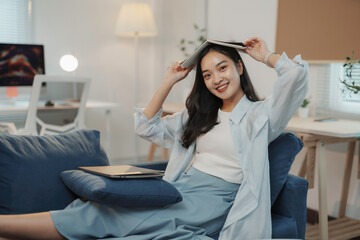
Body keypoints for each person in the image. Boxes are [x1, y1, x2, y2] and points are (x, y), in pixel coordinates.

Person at [0, 37, 308, 240]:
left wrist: (264, 55)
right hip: (178, 187)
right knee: (101, 207)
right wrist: (168, 81)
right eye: (208, 75)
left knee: (116, 217)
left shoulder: (261, 116)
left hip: (214, 200)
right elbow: (146, 127)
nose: (217, 79)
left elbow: (293, 77)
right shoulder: (200, 115)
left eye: (223, 67)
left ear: (239, 67)